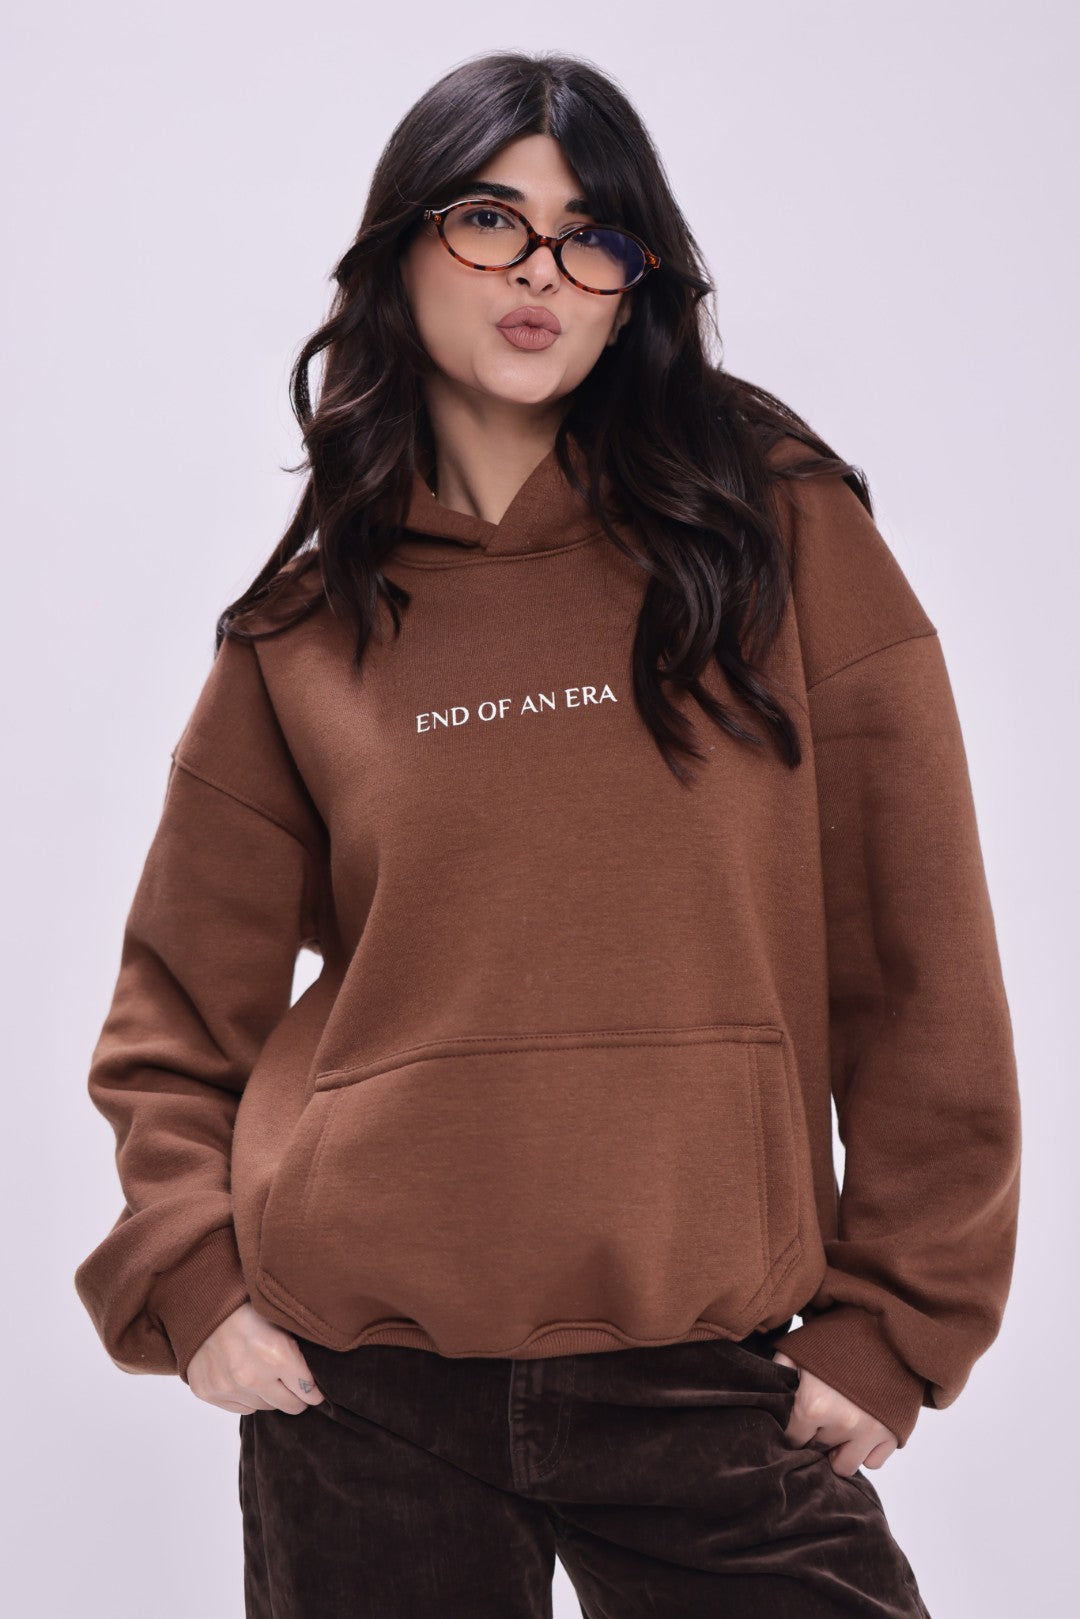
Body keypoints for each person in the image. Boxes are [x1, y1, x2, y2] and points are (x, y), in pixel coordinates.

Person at [74, 50, 1020, 1618]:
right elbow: (172, 1018)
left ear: (635, 282)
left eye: (592, 237)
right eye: (490, 220)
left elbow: (920, 955)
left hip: (706, 1374)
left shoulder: (777, 535)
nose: (541, 272)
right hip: (362, 1386)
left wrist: (899, 1317)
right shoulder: (303, 629)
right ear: (402, 249)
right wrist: (196, 1279)